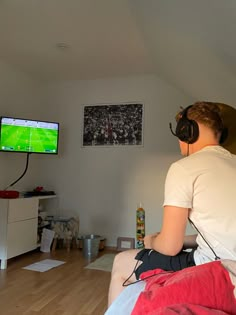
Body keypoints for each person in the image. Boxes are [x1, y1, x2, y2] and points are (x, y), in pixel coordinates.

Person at [108, 101, 236, 307]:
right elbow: (221, 233)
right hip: (225, 258)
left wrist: (151, 242)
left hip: (220, 270)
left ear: (187, 132)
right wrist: (185, 240)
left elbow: (169, 247)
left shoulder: (184, 168)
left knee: (121, 262)